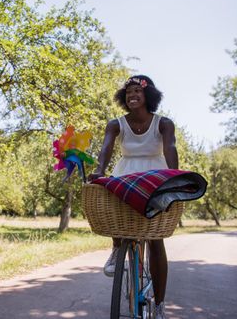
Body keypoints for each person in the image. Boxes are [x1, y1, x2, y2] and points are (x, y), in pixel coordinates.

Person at [87, 75, 178, 319]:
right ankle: (118, 248)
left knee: (155, 239)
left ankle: (159, 305)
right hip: (126, 173)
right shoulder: (116, 124)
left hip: (154, 177)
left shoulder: (164, 123)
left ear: (148, 96)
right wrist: (100, 171)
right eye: (128, 93)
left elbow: (170, 148)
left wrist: (174, 176)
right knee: (115, 209)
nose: (132, 95)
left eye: (138, 90)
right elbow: (106, 147)